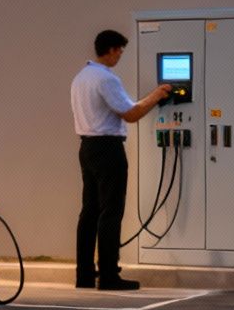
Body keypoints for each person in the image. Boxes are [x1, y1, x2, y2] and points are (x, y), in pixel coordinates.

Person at [71, 29, 172, 290]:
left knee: (90, 211)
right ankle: (108, 275)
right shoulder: (106, 79)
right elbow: (131, 113)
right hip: (108, 148)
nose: (120, 57)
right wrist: (157, 95)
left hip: (87, 147)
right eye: (120, 51)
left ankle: (84, 274)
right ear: (113, 49)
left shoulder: (80, 78)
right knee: (111, 212)